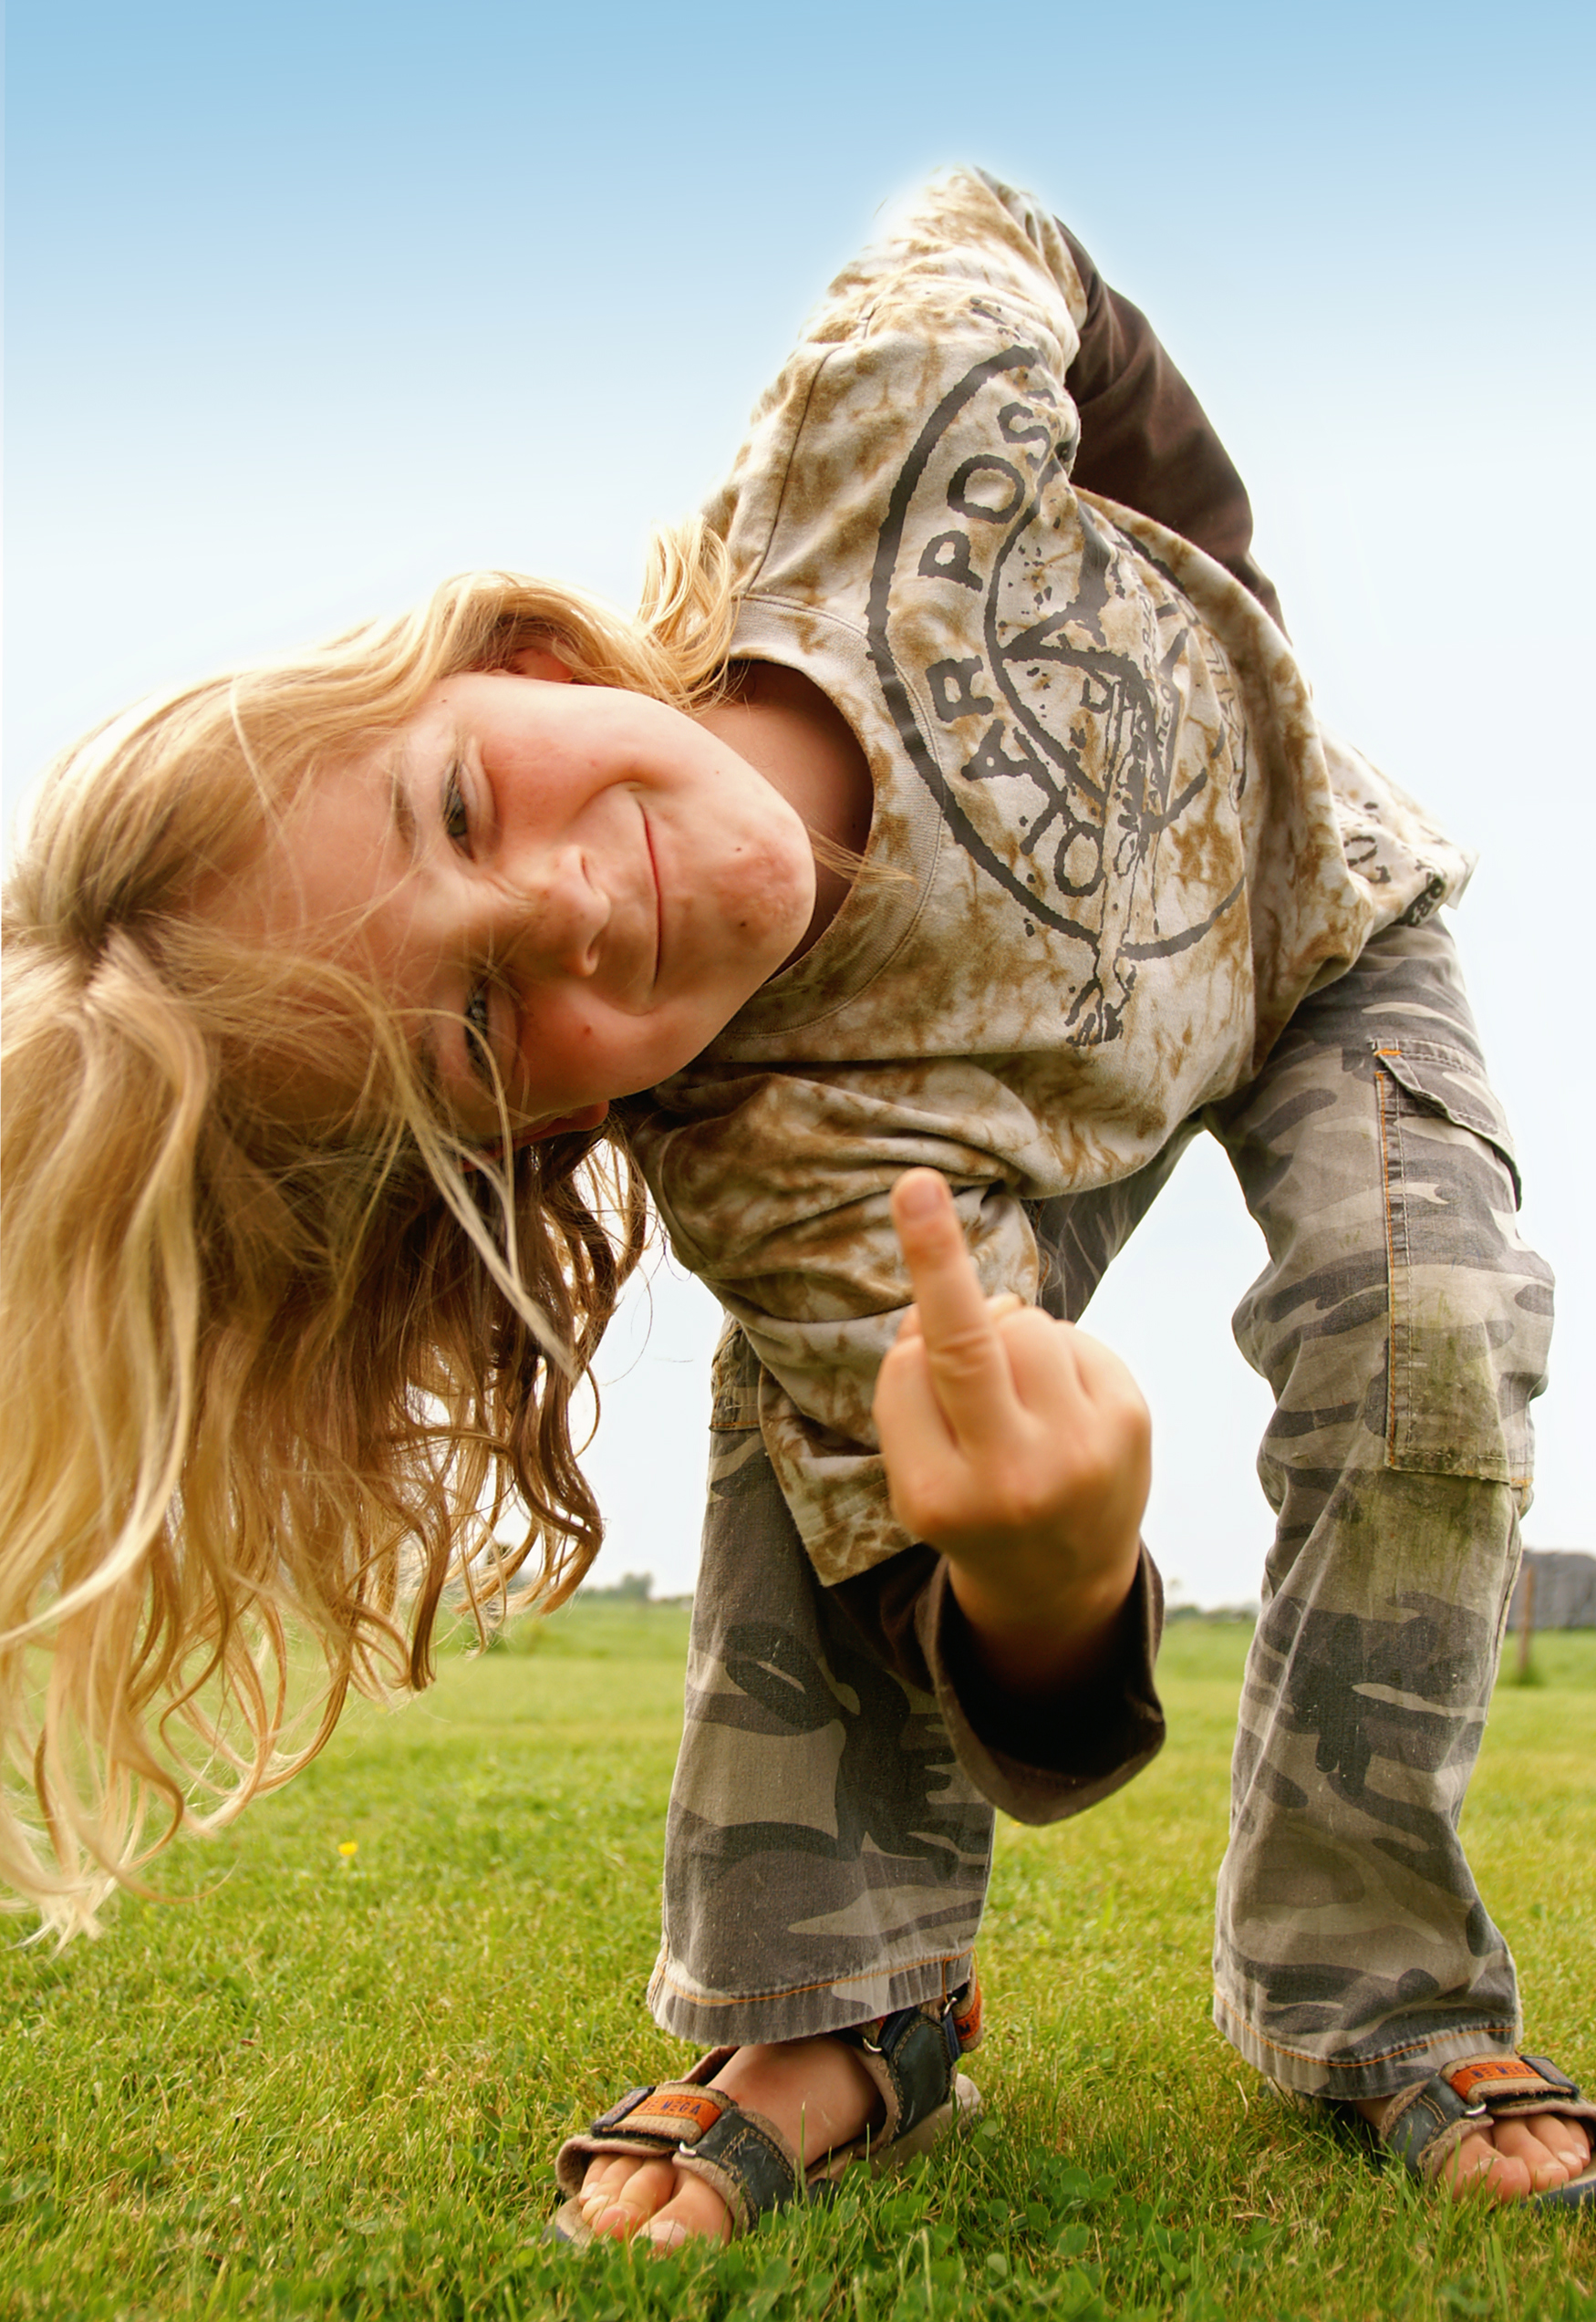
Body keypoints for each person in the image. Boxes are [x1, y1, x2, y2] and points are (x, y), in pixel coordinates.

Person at [2, 170, 1591, 2238]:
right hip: (1024, 1125)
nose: (574, 901)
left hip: (1319, 926)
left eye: (463, 804)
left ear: (511, 657)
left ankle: (1369, 1995)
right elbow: (1027, 1706)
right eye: (479, 1020)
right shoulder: (786, 1158)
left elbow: (1001, 238)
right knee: (832, 1413)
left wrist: (1207, 593)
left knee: (1426, 1321)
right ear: (527, 1139)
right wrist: (1039, 1575)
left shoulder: (867, 443)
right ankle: (845, 2001)